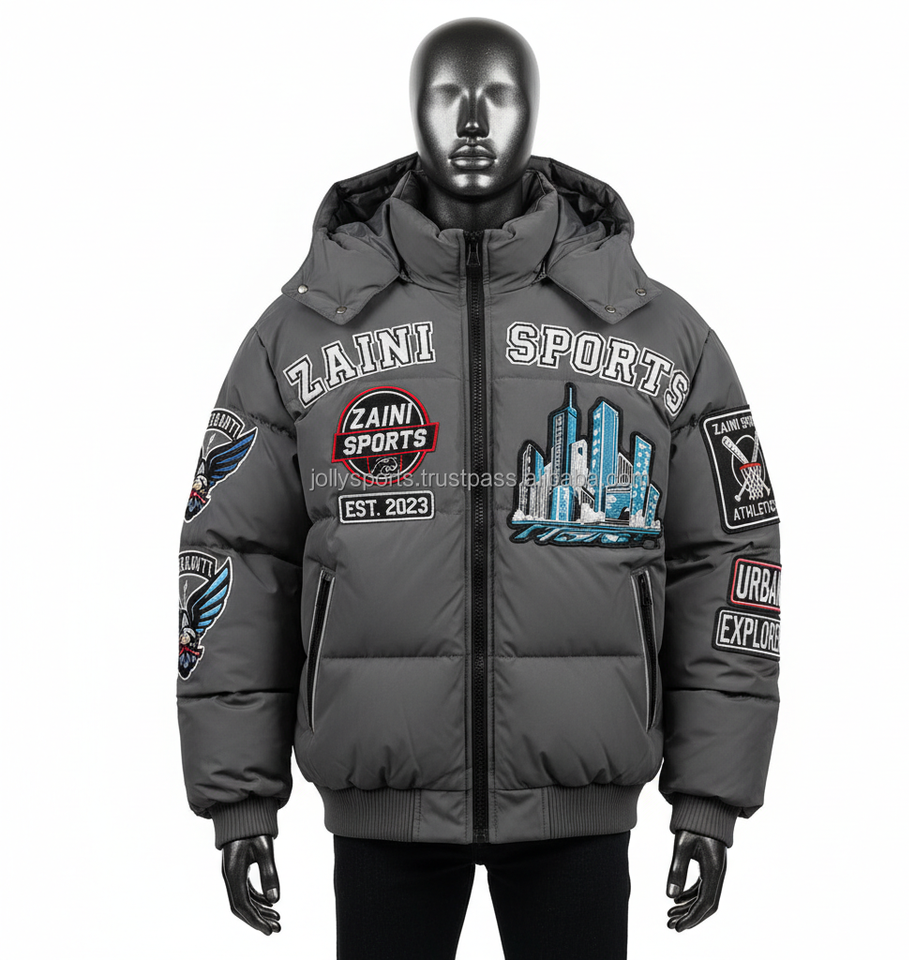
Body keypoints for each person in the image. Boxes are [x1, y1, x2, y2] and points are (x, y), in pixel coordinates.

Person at [176, 17, 781, 956]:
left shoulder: (660, 336)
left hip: (581, 797)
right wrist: (238, 796)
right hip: (382, 796)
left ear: (534, 111)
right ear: (411, 111)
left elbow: (732, 556)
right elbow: (233, 555)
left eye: (497, 96)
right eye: (446, 95)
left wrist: (711, 794)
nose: (470, 121)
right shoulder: (301, 335)